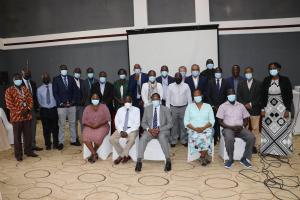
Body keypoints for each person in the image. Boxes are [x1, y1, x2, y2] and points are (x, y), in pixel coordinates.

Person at [216, 89, 255, 169]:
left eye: (233, 94)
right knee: (229, 138)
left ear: (235, 95)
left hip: (240, 129)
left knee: (251, 137)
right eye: (230, 95)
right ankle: (230, 159)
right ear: (227, 96)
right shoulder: (222, 106)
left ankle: (244, 158)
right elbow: (220, 121)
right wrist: (230, 127)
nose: (232, 96)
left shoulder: (241, 106)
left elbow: (246, 119)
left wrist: (242, 126)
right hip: (228, 128)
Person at [260, 62, 293, 156]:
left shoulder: (285, 80)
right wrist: (262, 109)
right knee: (268, 129)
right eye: (270, 68)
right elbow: (262, 95)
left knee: (282, 128)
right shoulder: (266, 80)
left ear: (279, 69)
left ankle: (282, 151)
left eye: (274, 68)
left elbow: (289, 96)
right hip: (269, 108)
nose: (272, 70)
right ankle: (268, 150)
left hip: (282, 108)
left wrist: (288, 110)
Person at [135, 93, 173, 172]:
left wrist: (159, 129)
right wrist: (149, 129)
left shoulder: (165, 109)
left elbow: (170, 123)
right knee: (143, 138)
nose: (155, 101)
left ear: (160, 100)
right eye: (154, 99)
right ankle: (139, 161)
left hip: (162, 130)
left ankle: (168, 160)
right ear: (151, 100)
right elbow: (143, 123)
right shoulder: (147, 109)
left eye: (157, 99)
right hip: (150, 130)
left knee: (162, 137)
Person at [5, 73, 38, 161]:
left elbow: (30, 100)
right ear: (13, 80)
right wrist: (20, 112)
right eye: (16, 79)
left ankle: (28, 151)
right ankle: (18, 154)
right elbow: (9, 105)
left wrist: (27, 109)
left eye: (19, 78)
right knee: (17, 137)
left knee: (28, 136)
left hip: (27, 116)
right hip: (16, 118)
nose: (18, 80)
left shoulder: (25, 89)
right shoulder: (9, 90)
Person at [184, 89, 215, 166]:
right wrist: (195, 129)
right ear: (193, 97)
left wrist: (203, 128)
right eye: (195, 95)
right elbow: (186, 122)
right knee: (195, 136)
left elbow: (212, 121)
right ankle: (204, 155)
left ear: (202, 96)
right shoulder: (189, 107)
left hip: (206, 128)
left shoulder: (208, 106)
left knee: (207, 135)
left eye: (198, 95)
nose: (197, 97)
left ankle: (202, 156)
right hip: (193, 129)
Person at [53, 65, 80, 150]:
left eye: (65, 69)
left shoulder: (71, 78)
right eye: (62, 69)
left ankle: (73, 140)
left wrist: (72, 102)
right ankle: (61, 142)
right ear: (60, 70)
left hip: (71, 105)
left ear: (67, 70)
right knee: (62, 124)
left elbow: (75, 91)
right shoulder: (56, 79)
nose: (64, 70)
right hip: (61, 106)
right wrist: (61, 103)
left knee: (72, 123)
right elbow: (55, 93)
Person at [237, 67, 262, 153]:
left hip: (255, 109)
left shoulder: (258, 83)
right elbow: (238, 96)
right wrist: (244, 104)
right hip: (244, 110)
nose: (248, 74)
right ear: (244, 74)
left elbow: (260, 97)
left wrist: (251, 104)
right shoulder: (241, 84)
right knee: (245, 128)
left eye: (249, 72)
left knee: (255, 128)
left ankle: (255, 146)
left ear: (252, 72)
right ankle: (245, 145)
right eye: (246, 72)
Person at [110, 96, 140, 164]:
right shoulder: (120, 110)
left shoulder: (136, 110)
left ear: (131, 102)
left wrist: (127, 132)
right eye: (126, 101)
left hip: (132, 130)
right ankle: (125, 155)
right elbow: (117, 122)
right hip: (121, 129)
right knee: (111, 139)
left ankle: (120, 157)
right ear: (123, 102)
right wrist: (121, 131)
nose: (127, 103)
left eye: (129, 101)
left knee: (132, 140)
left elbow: (137, 124)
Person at [82, 93, 111, 163]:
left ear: (99, 99)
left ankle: (93, 153)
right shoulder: (87, 108)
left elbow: (108, 119)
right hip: (89, 126)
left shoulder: (104, 107)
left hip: (102, 126)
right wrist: (91, 126)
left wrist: (98, 125)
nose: (95, 100)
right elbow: (83, 121)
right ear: (91, 99)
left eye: (96, 98)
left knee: (98, 137)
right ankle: (94, 154)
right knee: (85, 137)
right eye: (93, 98)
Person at [166, 72, 192, 147]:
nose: (178, 79)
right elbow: (168, 98)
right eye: (176, 78)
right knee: (173, 125)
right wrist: (168, 109)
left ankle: (184, 140)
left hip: (184, 107)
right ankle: (173, 141)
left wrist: (189, 109)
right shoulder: (170, 86)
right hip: (173, 107)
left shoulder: (186, 86)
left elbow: (189, 98)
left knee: (184, 125)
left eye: (179, 78)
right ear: (174, 78)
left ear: (181, 78)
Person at [21, 68, 43, 151]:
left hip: (32, 109)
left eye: (29, 73)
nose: (27, 74)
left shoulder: (33, 83)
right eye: (26, 73)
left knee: (33, 127)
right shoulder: (19, 83)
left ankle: (33, 145)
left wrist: (36, 107)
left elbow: (35, 97)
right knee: (25, 128)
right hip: (24, 110)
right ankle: (26, 147)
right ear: (22, 73)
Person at [207, 67, 229, 145]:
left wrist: (222, 106)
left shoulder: (226, 82)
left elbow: (227, 95)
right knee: (214, 123)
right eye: (216, 72)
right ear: (214, 73)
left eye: (219, 72)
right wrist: (213, 105)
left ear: (221, 73)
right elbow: (208, 95)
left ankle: (223, 139)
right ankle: (215, 139)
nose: (218, 73)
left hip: (223, 107)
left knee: (223, 123)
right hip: (213, 107)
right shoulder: (210, 82)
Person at [37, 73, 59, 150]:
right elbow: (39, 101)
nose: (46, 79)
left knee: (55, 128)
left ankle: (56, 144)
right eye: (44, 77)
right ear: (42, 79)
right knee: (46, 129)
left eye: (47, 77)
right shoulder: (39, 89)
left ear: (49, 78)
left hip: (53, 109)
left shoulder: (54, 86)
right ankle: (48, 144)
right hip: (44, 111)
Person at [73, 67, 85, 141]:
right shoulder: (70, 81)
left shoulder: (83, 81)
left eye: (79, 72)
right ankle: (75, 138)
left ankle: (84, 137)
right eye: (76, 72)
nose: (78, 74)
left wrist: (83, 101)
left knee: (82, 122)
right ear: (73, 73)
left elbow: (85, 93)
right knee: (74, 123)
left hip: (81, 106)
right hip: (73, 105)